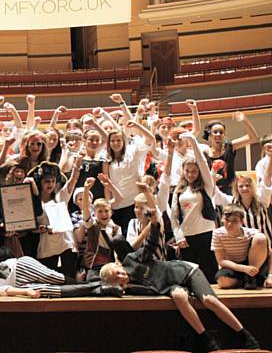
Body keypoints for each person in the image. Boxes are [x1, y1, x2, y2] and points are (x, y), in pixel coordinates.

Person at [100, 213, 260, 352]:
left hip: (184, 271)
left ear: (119, 265)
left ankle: (245, 335)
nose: (121, 276)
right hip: (170, 285)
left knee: (209, 300)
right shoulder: (129, 288)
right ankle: (206, 338)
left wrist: (154, 224)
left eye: (119, 272)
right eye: (117, 278)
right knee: (178, 296)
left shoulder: (132, 260)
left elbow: (150, 245)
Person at [0, 197, 121, 298]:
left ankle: (91, 286)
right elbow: (1, 291)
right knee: (49, 291)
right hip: (18, 283)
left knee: (55, 277)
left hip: (20, 267)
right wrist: (25, 291)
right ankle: (99, 289)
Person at [170, 133, 218, 282]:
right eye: (187, 171)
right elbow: (174, 217)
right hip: (187, 237)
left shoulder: (207, 187)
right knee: (190, 277)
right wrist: (179, 236)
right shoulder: (178, 191)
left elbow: (203, 162)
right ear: (183, 172)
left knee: (210, 275)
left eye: (194, 171)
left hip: (206, 234)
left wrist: (192, 141)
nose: (191, 174)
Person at [212, 204, 272, 290]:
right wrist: (244, 269)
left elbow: (270, 254)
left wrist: (270, 275)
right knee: (222, 281)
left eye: (234, 221)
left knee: (261, 238)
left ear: (241, 221)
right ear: (222, 219)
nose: (229, 224)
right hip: (234, 266)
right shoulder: (217, 234)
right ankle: (246, 280)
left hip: (253, 265)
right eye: (227, 220)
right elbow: (221, 261)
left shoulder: (251, 233)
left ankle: (251, 278)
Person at [75, 178, 121, 281]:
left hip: (110, 265)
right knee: (93, 281)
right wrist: (86, 190)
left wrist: (118, 263)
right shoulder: (92, 224)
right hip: (93, 265)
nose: (103, 214)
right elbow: (86, 209)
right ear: (94, 213)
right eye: (100, 211)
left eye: (106, 211)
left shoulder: (116, 228)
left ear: (111, 212)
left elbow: (117, 250)